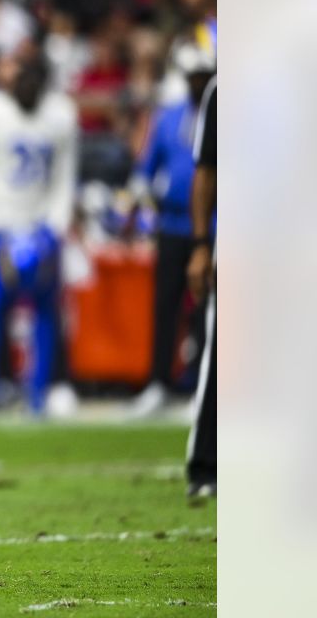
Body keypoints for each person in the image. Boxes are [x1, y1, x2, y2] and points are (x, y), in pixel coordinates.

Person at [0, 52, 78, 416]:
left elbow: (64, 177)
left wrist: (51, 228)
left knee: (44, 310)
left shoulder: (60, 115)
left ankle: (38, 393)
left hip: (40, 225)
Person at [129, 29, 216, 417]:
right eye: (193, 78)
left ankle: (199, 386)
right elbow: (146, 169)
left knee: (206, 314)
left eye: (203, 77)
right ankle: (158, 382)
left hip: (211, 226)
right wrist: (141, 205)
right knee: (164, 308)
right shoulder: (168, 117)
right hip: (171, 224)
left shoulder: (224, 111)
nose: (197, 84)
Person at [185, 68, 216, 498]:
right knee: (221, 352)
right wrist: (201, 244)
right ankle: (206, 466)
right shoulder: (223, 87)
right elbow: (206, 172)